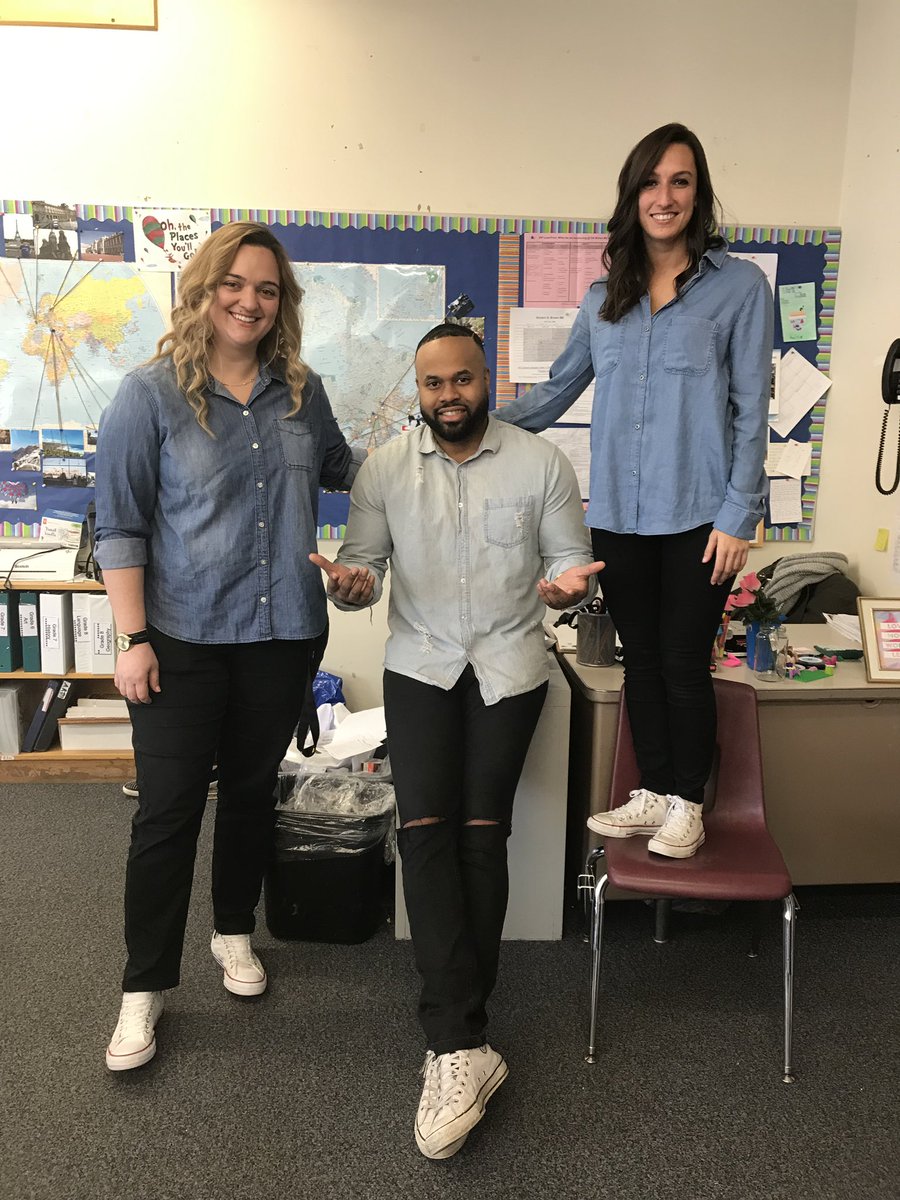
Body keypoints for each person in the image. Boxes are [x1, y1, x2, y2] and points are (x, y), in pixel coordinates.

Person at [311, 323, 604, 1160]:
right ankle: (458, 1039)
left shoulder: (542, 463)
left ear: (487, 379)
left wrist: (564, 587)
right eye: (434, 383)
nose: (450, 395)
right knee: (424, 837)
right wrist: (352, 584)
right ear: (420, 391)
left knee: (483, 838)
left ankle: (460, 1034)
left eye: (463, 380)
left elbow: (568, 567)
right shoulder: (385, 469)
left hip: (510, 667)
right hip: (420, 665)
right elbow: (359, 572)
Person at [95, 221, 365, 1071]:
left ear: (282, 303)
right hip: (181, 639)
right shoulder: (149, 397)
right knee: (168, 812)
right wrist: (132, 637)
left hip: (283, 632)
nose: (250, 301)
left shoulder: (301, 392)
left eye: (268, 289)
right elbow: (121, 526)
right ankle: (143, 990)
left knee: (251, 796)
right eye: (234, 284)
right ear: (206, 290)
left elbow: (349, 473)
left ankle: (232, 932)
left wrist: (449, 449)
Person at [496, 123, 774, 859]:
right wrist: (460, 417)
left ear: (699, 193)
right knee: (640, 660)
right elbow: (554, 396)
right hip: (618, 515)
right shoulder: (603, 298)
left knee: (684, 663)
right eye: (650, 182)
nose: (665, 196)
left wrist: (740, 515)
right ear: (632, 196)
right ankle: (653, 790)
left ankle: (690, 801)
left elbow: (752, 408)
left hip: (700, 517)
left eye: (680, 181)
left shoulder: (740, 288)